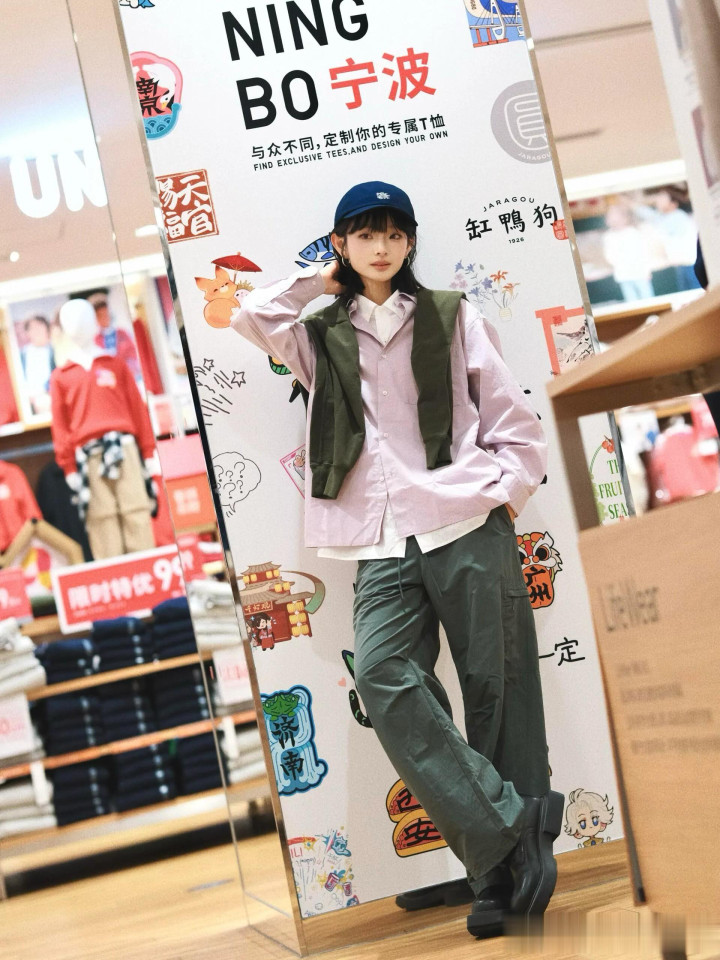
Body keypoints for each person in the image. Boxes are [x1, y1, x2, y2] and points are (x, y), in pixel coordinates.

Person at [231, 181, 563, 939]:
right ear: (342, 244)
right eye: (363, 234)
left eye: (392, 234)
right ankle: (511, 829)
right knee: (383, 675)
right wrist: (320, 280)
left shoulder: (452, 315)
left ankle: (495, 879)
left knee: (497, 690)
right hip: (377, 539)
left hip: (463, 520)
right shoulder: (319, 333)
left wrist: (503, 496)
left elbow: (513, 422)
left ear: (410, 242)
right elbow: (253, 315)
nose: (380, 247)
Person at [20, 314, 55, 414]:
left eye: (39, 326)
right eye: (32, 328)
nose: (37, 331)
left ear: (46, 328)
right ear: (27, 333)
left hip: (47, 396)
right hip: (27, 397)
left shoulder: (54, 350)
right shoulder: (23, 354)